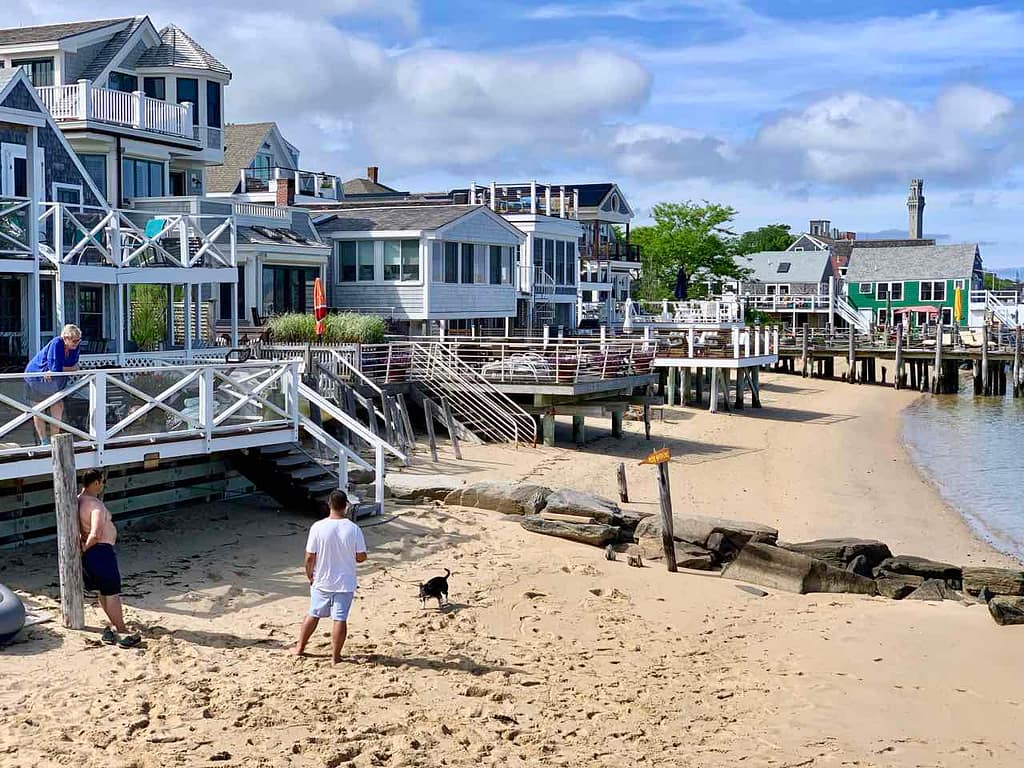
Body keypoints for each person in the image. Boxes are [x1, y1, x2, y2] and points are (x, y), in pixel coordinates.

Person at [294, 490, 367, 663]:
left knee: (313, 613)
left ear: (329, 505)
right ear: (346, 506)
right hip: (345, 581)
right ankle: (335, 657)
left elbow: (310, 557)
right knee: (340, 618)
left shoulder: (318, 527)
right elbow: (361, 556)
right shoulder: (353, 529)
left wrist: (309, 575)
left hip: (322, 579)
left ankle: (300, 647)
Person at [78, 469, 140, 649]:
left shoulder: (78, 499)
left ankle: (114, 625)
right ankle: (122, 629)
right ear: (96, 483)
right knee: (112, 593)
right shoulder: (94, 505)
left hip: (93, 553)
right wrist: (85, 549)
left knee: (103, 592)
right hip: (100, 551)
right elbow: (96, 533)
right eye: (102, 482)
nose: (103, 486)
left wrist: (83, 550)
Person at [24, 324, 82, 445]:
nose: (77, 343)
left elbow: (73, 366)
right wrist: (68, 369)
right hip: (36, 378)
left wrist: (63, 369)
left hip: (55, 381)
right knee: (38, 410)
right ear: (65, 338)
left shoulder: (75, 347)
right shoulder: (56, 343)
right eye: (74, 340)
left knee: (58, 407)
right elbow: (56, 369)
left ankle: (54, 441)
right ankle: (44, 442)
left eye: (78, 340)